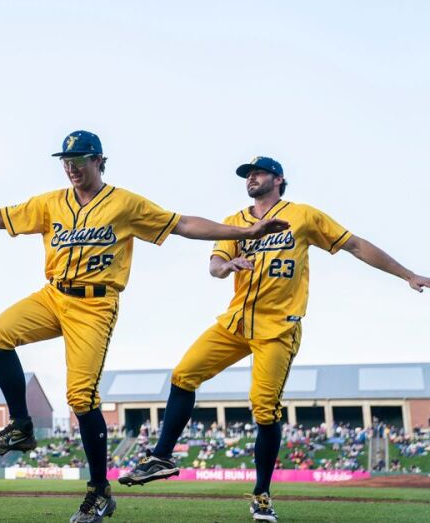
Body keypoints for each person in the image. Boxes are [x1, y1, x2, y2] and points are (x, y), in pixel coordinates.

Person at [0, 131, 289, 523]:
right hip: (53, 295)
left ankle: (99, 492)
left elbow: (181, 224)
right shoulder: (50, 203)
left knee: (80, 398)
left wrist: (245, 233)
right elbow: (2, 217)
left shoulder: (124, 203)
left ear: (98, 160)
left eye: (79, 158)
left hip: (95, 305)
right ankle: (21, 425)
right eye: (65, 159)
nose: (70, 165)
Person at [117, 156, 429, 521]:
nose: (251, 178)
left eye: (259, 172)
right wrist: (226, 267)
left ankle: (262, 495)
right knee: (182, 375)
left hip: (278, 327)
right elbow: (215, 265)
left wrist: (407, 274)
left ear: (278, 179)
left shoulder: (303, 216)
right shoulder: (235, 221)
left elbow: (355, 245)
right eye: (247, 174)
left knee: (264, 408)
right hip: (234, 322)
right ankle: (161, 458)